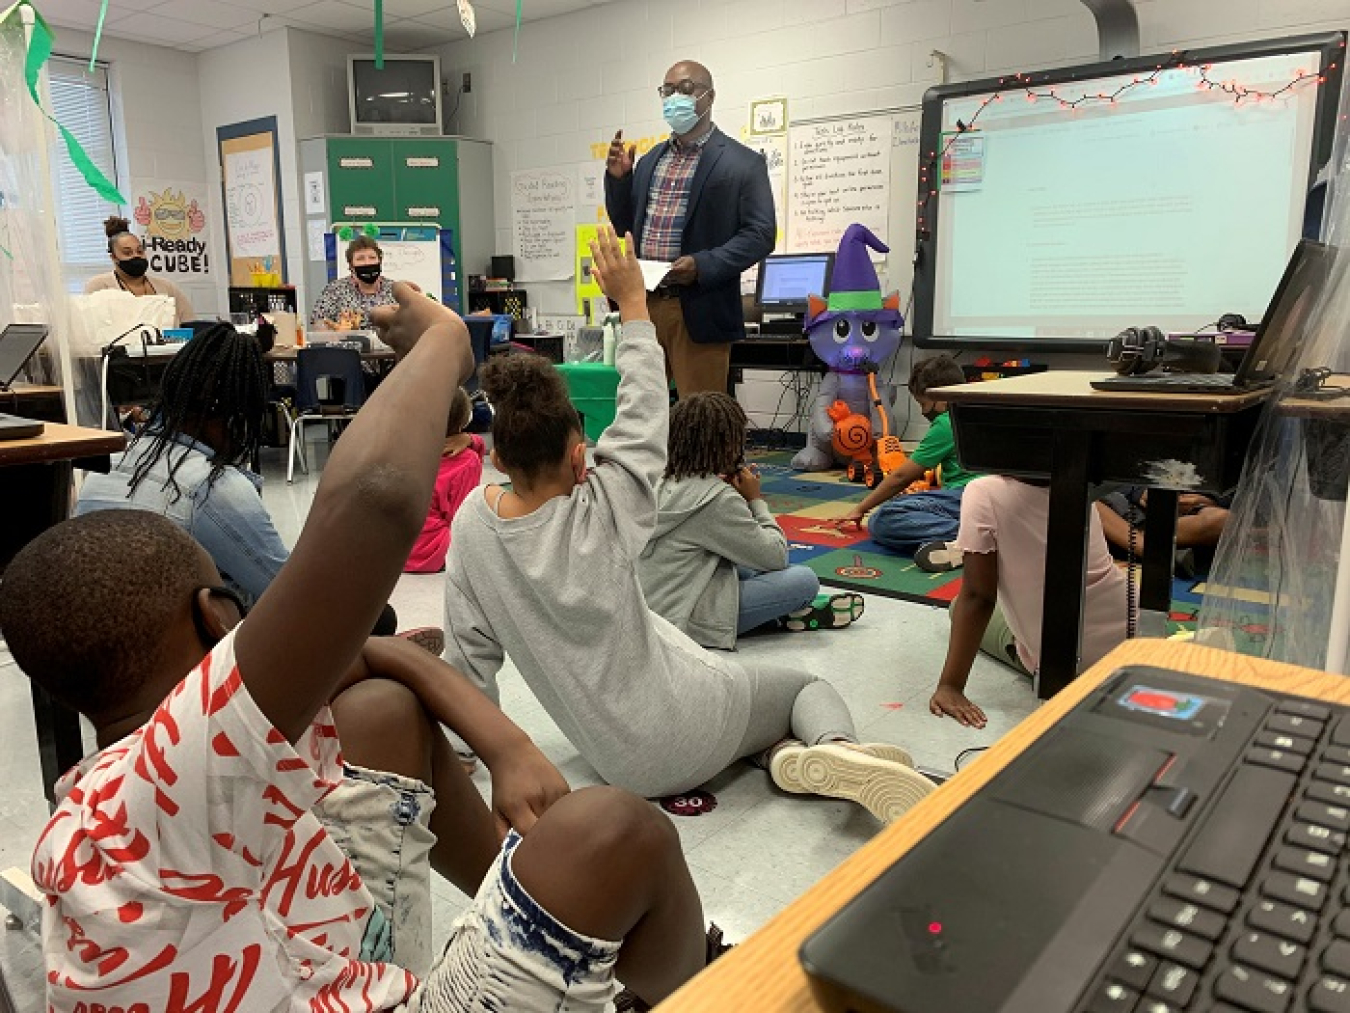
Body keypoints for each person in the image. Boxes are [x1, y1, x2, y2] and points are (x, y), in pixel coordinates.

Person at [0, 284, 716, 1012]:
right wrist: (444, 341)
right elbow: (372, 501)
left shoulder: (103, 807)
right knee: (619, 831)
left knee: (379, 710)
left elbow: (371, 656)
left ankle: (510, 892)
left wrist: (502, 743)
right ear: (219, 614)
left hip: (314, 970)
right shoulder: (163, 785)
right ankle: (702, 990)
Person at [442, 227, 930, 822]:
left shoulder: (472, 523)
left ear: (497, 458)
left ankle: (777, 756)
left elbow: (468, 664)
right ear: (580, 458)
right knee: (802, 687)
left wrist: (466, 762)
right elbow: (646, 409)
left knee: (750, 710)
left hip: (615, 765)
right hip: (682, 718)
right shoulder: (609, 500)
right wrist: (633, 306)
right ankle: (838, 748)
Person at [72, 322, 412, 640]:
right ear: (235, 415)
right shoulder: (211, 486)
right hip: (177, 664)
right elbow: (283, 591)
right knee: (377, 618)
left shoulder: (110, 466)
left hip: (105, 654)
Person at [639, 391, 864, 648]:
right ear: (728, 445)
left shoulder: (661, 479)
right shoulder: (717, 499)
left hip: (651, 609)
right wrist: (755, 501)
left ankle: (775, 616)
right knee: (803, 580)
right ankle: (779, 615)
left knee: (744, 564)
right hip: (687, 619)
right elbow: (777, 556)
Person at [604, 60, 775, 397]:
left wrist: (703, 265)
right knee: (639, 411)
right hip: (645, 305)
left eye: (683, 89)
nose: (673, 98)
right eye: (666, 91)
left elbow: (760, 234)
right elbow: (627, 227)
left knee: (700, 423)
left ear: (708, 97)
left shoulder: (743, 162)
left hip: (699, 307)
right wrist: (620, 181)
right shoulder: (651, 159)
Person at [927, 476, 1131, 728]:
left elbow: (979, 597)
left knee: (958, 605)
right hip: (1133, 644)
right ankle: (968, 546)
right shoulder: (1080, 484)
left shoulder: (984, 491)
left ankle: (968, 547)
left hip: (1073, 665)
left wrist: (950, 685)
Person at [832, 355, 975, 555]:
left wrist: (861, 508)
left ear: (940, 397)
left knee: (884, 518)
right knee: (910, 505)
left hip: (969, 497)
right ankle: (977, 532)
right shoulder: (979, 411)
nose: (923, 411)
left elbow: (901, 477)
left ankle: (977, 536)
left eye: (923, 404)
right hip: (998, 500)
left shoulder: (946, 422)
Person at [405, 387, 485, 574]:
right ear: (466, 418)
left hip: (398, 553)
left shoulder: (409, 450)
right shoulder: (467, 461)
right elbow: (461, 518)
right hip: (434, 552)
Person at [84, 215, 194, 325]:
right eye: (127, 253)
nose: (136, 256)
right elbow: (92, 327)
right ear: (114, 257)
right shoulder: (99, 286)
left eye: (140, 251)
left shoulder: (166, 287)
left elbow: (191, 323)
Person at [1096, 489, 1231, 575]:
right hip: (1117, 505)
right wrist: (1139, 492)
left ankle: (1156, 550)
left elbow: (1236, 494)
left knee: (1224, 520)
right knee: (1091, 503)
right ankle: (1151, 552)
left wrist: (1210, 500)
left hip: (1177, 510)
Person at [311, 235, 398, 330]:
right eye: (360, 259)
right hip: (347, 343)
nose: (367, 263)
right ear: (351, 265)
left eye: (372, 257)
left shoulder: (395, 290)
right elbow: (318, 321)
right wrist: (335, 333)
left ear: (380, 261)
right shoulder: (335, 289)